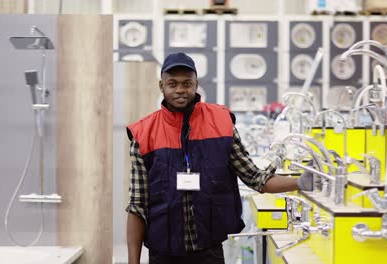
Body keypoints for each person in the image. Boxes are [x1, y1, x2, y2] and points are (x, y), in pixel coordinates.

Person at [126, 52, 313, 264]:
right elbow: (137, 205)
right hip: (163, 253)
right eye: (172, 84)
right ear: (162, 86)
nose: (180, 90)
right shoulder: (144, 134)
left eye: (187, 83)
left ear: (197, 84)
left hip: (209, 251)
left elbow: (254, 177)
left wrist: (299, 182)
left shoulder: (221, 124)